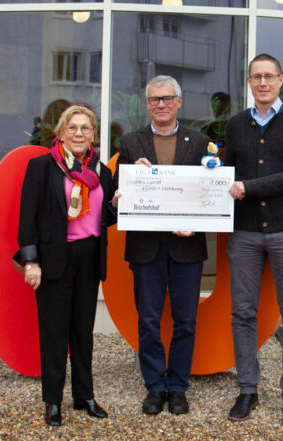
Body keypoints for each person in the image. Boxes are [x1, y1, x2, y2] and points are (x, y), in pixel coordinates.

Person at [224, 54, 283, 427]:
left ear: (280, 80)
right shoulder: (236, 124)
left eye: (269, 76)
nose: (262, 82)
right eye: (256, 77)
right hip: (245, 232)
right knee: (242, 313)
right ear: (249, 82)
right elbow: (226, 174)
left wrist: (250, 187)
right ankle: (247, 389)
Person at [112, 75, 209, 416]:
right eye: (154, 99)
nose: (161, 105)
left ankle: (178, 387)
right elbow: (117, 193)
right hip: (146, 247)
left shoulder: (200, 142)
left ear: (179, 102)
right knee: (148, 320)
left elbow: (208, 193)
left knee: (186, 321)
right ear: (147, 104)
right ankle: (154, 386)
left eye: (167, 98)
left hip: (187, 246)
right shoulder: (131, 142)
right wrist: (127, 184)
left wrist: (196, 224)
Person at [15, 105, 116, 427]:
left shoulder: (101, 172)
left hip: (89, 258)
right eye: (72, 128)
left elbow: (106, 217)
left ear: (93, 135)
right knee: (54, 333)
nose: (79, 134)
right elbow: (27, 217)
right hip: (53, 259)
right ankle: (53, 400)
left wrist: (116, 205)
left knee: (83, 333)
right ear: (60, 133)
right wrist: (31, 261)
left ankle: (85, 396)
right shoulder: (41, 167)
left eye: (85, 128)